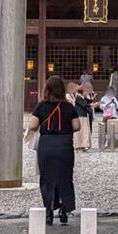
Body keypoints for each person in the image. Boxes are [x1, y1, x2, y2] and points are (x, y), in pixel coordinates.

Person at [31, 76, 80, 225]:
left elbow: (33, 125)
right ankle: (64, 209)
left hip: (47, 145)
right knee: (65, 177)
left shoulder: (41, 106)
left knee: (47, 178)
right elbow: (77, 126)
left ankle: (49, 211)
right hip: (64, 144)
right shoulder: (69, 107)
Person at [70, 79, 92, 151]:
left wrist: (92, 99)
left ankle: (84, 144)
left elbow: (87, 101)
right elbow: (84, 105)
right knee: (80, 131)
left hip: (84, 115)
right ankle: (79, 145)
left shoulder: (82, 97)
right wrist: (91, 105)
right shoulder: (78, 97)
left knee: (84, 131)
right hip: (80, 116)